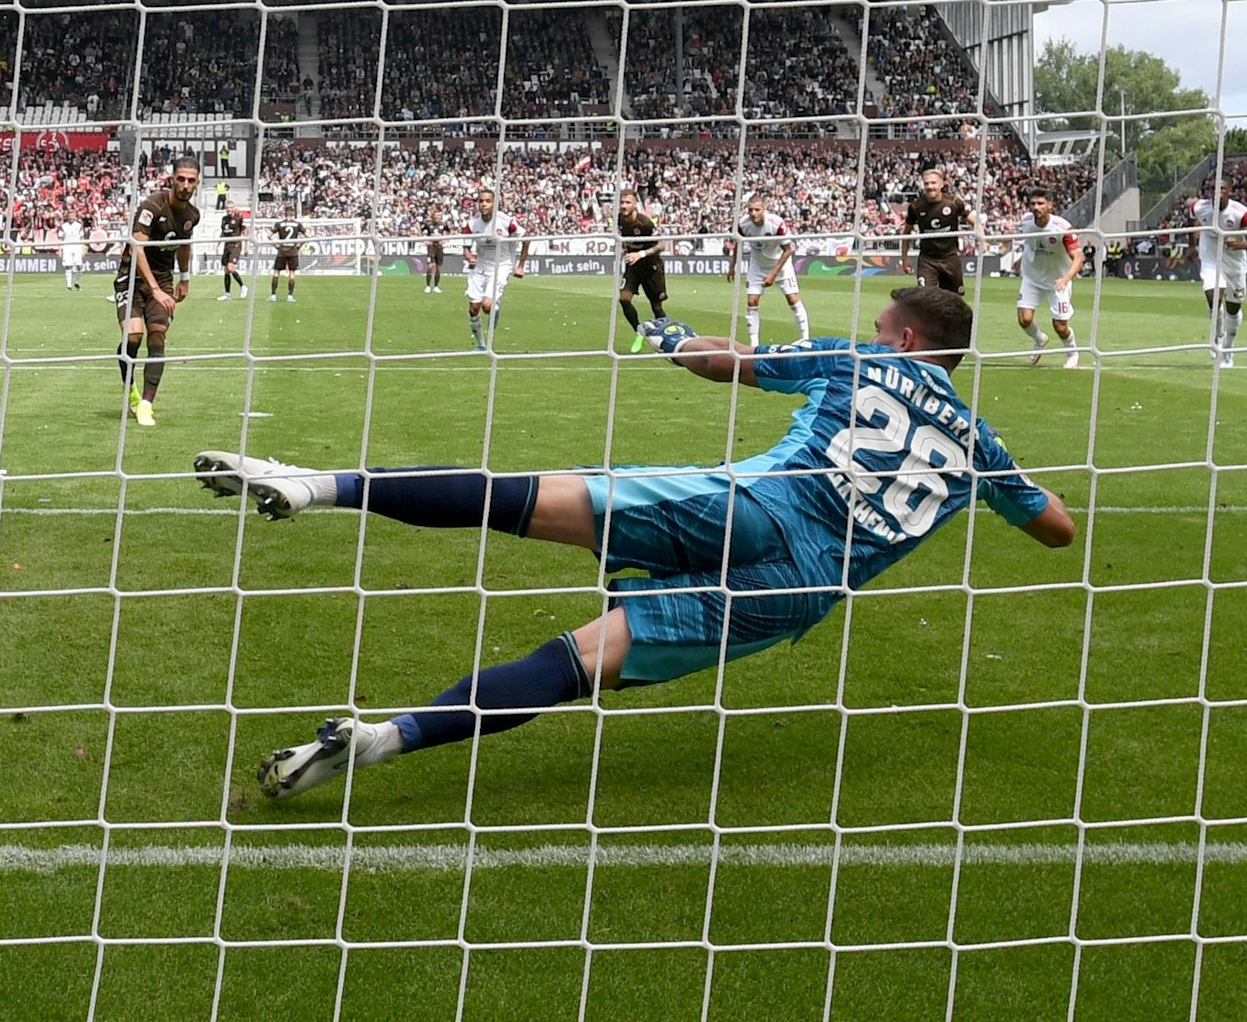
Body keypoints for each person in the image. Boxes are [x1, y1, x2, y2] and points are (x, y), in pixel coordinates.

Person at [191, 287, 1074, 800]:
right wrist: (999, 474)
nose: (878, 333)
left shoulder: (864, 362)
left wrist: (676, 339)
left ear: (909, 341)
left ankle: (315, 484)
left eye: (886, 326)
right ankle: (384, 738)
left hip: (756, 504)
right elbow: (1056, 530)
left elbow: (720, 361)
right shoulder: (981, 449)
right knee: (581, 661)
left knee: (519, 500)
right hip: (802, 587)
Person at [112, 157, 201, 427]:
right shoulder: (151, 206)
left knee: (158, 335)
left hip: (163, 279)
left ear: (196, 183)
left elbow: (185, 244)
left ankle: (147, 405)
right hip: (131, 277)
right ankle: (132, 393)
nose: (185, 185)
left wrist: (184, 277)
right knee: (134, 336)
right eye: (181, 179)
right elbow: (138, 250)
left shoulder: (192, 215)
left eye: (191, 180)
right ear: (172, 179)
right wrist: (154, 290)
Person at [1012, 186, 1086, 369]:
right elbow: (1030, 244)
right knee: (1024, 319)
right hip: (1032, 278)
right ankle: (1039, 340)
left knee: (1060, 326)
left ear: (1050, 205)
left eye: (1040, 203)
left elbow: (1078, 256)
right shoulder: (1025, 222)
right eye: (1033, 203)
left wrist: (1066, 278)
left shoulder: (1062, 228)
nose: (1036, 207)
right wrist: (1020, 260)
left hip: (1058, 281)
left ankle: (1072, 354)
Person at [728, 194, 808, 345]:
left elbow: (788, 250)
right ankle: (754, 345)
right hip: (757, 265)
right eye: (750, 210)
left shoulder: (776, 223)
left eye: (757, 210)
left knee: (792, 299)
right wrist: (732, 266)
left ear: (764, 209)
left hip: (780, 264)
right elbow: (738, 243)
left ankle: (806, 339)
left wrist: (773, 274)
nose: (753, 214)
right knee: (752, 301)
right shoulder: (743, 224)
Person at [464, 188, 527, 351]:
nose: (483, 204)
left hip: (501, 265)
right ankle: (481, 344)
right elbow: (466, 248)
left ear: (494, 203)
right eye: (481, 201)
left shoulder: (507, 222)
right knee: (473, 308)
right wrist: (470, 257)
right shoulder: (472, 225)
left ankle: (495, 308)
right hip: (481, 265)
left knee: (487, 306)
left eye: (488, 201)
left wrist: (520, 266)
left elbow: (527, 239)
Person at [1193, 179, 1247, 367]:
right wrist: (1193, 245)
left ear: (1230, 191)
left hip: (1235, 265)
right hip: (1211, 260)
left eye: (1222, 189)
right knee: (1214, 295)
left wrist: (1240, 244)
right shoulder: (1201, 207)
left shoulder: (1240, 214)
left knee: (1233, 309)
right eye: (1213, 189)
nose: (1217, 192)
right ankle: (1218, 336)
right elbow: (1194, 219)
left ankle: (1228, 350)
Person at [899, 168, 979, 294]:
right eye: (926, 183)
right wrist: (904, 259)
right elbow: (906, 233)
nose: (930, 186)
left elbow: (975, 222)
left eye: (933, 183)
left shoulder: (953, 203)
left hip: (950, 259)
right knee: (924, 299)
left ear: (941, 184)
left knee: (954, 302)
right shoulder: (916, 207)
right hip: (927, 260)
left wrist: (983, 240)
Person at [615, 190, 666, 346]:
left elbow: (661, 245)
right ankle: (639, 330)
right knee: (624, 299)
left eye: (627, 202)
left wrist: (641, 254)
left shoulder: (645, 223)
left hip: (651, 265)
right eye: (622, 202)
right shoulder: (619, 219)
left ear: (635, 204)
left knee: (656, 307)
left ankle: (667, 337)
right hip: (634, 266)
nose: (624, 206)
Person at [269, 209, 305, 302]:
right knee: (292, 273)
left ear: (285, 214)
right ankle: (290, 295)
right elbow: (307, 236)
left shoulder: (279, 224)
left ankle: (273, 295)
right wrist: (299, 246)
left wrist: (276, 246)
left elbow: (269, 236)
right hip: (293, 251)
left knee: (276, 272)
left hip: (282, 251)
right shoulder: (298, 224)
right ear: (293, 214)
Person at [216, 209, 247, 300]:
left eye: (230, 208)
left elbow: (244, 231)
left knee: (230, 267)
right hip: (227, 245)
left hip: (236, 245)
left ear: (233, 208)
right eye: (227, 208)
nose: (228, 210)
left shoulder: (238, 218)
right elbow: (223, 233)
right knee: (226, 270)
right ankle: (227, 294)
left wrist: (246, 245)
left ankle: (242, 286)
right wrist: (218, 244)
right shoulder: (224, 219)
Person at [61, 214, 86, 291]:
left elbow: (82, 237)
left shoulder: (79, 226)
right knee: (68, 266)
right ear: (67, 217)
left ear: (75, 217)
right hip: (67, 247)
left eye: (72, 216)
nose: (71, 217)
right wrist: (60, 249)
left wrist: (83, 248)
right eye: (69, 216)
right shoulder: (63, 226)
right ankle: (69, 286)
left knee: (79, 266)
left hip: (77, 247)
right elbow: (60, 238)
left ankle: (77, 282)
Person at [424, 209, 446, 294]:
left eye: (439, 216)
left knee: (439, 268)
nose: (437, 217)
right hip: (431, 247)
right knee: (430, 266)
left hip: (439, 248)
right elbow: (420, 231)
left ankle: (436, 286)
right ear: (433, 217)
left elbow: (450, 231)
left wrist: (445, 240)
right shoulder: (428, 225)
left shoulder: (443, 225)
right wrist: (425, 241)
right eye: (435, 216)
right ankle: (428, 286)